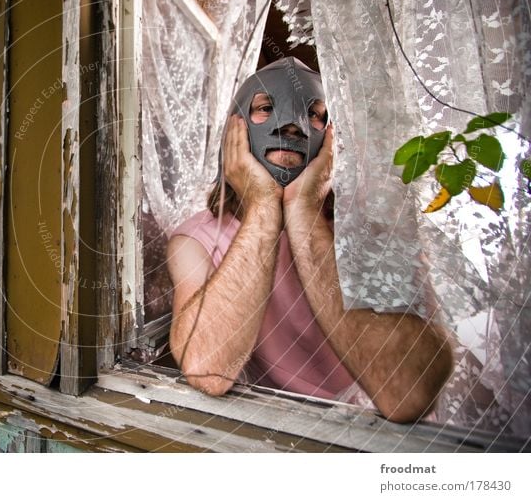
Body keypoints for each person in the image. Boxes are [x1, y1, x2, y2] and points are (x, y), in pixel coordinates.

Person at [166, 58, 453, 423]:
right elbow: (208, 369)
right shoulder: (196, 239)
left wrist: (304, 212)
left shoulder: (374, 231)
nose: (293, 126)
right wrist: (264, 209)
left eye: (316, 115)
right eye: (267, 108)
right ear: (234, 133)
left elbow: (408, 394)